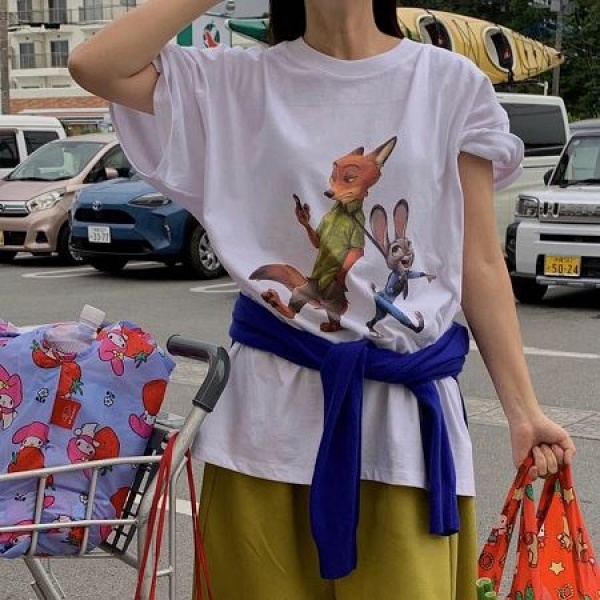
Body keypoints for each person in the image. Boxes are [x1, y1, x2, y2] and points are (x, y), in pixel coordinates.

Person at [68, 1, 576, 598]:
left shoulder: (448, 84)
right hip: (265, 427)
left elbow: (481, 261)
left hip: (405, 426)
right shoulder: (235, 82)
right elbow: (95, 64)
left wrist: (523, 411)